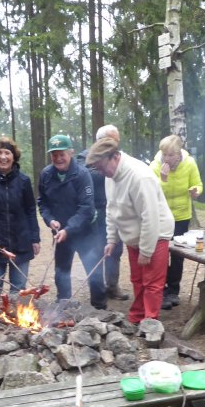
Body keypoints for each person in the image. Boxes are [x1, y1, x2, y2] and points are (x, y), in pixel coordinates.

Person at [85, 137, 175, 323]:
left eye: (102, 167)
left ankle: (150, 323)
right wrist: (111, 239)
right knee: (137, 279)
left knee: (152, 283)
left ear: (115, 157)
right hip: (134, 235)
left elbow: (150, 217)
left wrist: (146, 250)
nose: (101, 172)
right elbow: (111, 209)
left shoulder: (140, 177)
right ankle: (137, 317)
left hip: (155, 234)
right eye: (97, 169)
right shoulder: (110, 176)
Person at [38, 134, 107, 310]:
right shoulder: (46, 174)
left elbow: (87, 208)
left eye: (61, 154)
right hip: (61, 234)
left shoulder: (82, 174)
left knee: (94, 272)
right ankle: (64, 307)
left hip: (86, 233)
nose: (58, 158)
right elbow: (43, 203)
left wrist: (68, 229)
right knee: (61, 272)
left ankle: (99, 308)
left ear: (71, 152)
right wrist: (50, 220)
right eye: (54, 155)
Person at [0, 137, 41, 306]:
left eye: (7, 153)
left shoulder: (24, 181)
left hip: (21, 243)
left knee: (18, 291)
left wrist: (35, 238)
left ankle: (17, 320)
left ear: (14, 156)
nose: (3, 157)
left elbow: (31, 210)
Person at [150, 134, 203, 311]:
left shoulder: (189, 163)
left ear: (179, 153)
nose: (166, 158)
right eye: (164, 154)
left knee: (178, 254)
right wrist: (163, 179)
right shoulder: (155, 165)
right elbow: (150, 189)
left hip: (181, 215)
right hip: (161, 216)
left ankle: (173, 290)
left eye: (170, 155)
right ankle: (162, 289)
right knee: (161, 253)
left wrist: (196, 191)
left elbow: (198, 184)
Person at [75, 125, 129, 301]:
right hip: (95, 212)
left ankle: (112, 286)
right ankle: (97, 290)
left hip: (113, 208)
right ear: (99, 141)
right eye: (111, 140)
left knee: (116, 249)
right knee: (96, 249)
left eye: (116, 141)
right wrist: (106, 168)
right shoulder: (84, 158)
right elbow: (86, 177)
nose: (115, 144)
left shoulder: (118, 158)